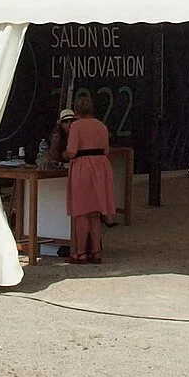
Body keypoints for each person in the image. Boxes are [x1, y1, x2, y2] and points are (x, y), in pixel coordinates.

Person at [63, 94, 114, 265]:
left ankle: (80, 253)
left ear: (77, 110)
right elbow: (106, 150)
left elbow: (71, 151)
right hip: (100, 167)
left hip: (82, 168)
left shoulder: (76, 126)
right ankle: (96, 252)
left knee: (81, 213)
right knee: (95, 213)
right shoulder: (101, 126)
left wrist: (64, 155)